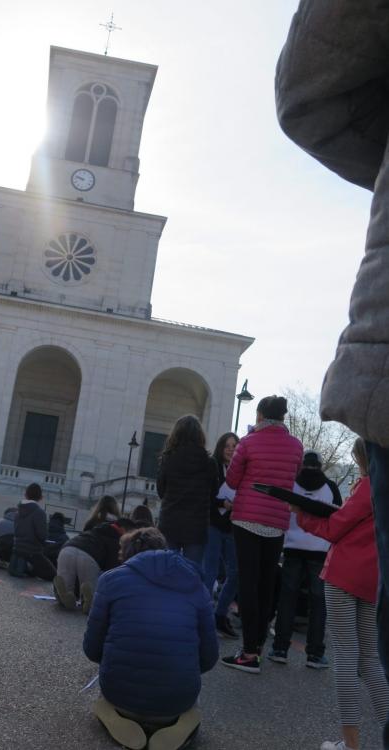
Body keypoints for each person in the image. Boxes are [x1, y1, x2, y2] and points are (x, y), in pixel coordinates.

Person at [276, 6, 389, 745]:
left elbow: (308, 93)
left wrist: (291, 499)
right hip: (347, 573)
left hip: (348, 578)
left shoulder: (361, 496)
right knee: (360, 663)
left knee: (354, 663)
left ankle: (354, 740)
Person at [83, 527, 218, 750]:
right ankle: (183, 723)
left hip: (120, 694)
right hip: (176, 699)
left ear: (127, 554)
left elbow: (91, 648)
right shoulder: (196, 585)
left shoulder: (111, 580)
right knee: (190, 703)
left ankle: (113, 715)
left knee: (104, 699)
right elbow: (209, 657)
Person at [293, 439, 389, 750]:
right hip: (374, 578)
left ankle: (350, 744)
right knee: (371, 659)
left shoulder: (369, 485)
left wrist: (303, 516)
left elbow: (336, 530)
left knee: (345, 658)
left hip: (344, 573)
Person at [221, 395, 303, 674]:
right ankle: (258, 645)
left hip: (246, 519)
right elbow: (294, 476)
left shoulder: (249, 442)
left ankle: (248, 652)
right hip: (277, 521)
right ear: (283, 417)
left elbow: (232, 479)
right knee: (267, 584)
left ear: (259, 415)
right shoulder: (295, 446)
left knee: (247, 584)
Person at [269, 450, 342, 668]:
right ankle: (315, 654)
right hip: (319, 550)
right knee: (318, 603)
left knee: (287, 599)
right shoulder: (330, 488)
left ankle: (280, 648)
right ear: (320, 465)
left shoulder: (292, 485)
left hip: (292, 547)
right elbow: (338, 517)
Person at [156, 414, 218, 566]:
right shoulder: (210, 463)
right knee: (192, 573)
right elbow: (214, 494)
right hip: (196, 526)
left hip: (169, 523)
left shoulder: (167, 459)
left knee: (167, 570)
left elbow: (160, 490)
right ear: (200, 436)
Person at [53, 517, 136, 613]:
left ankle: (64, 592)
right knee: (89, 585)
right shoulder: (116, 540)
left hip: (67, 548)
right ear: (123, 529)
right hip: (89, 555)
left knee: (67, 584)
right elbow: (112, 569)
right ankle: (90, 600)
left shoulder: (98, 528)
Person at [203, 431, 239, 639]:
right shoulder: (212, 465)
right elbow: (206, 494)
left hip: (232, 526)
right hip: (213, 524)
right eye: (227, 445)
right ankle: (204, 617)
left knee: (236, 572)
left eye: (234, 446)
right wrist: (221, 503)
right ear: (220, 447)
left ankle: (219, 613)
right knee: (210, 572)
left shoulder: (240, 469)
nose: (231, 449)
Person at [9, 483, 56, 581]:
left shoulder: (18, 511)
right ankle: (28, 567)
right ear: (40, 497)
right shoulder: (39, 512)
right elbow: (42, 536)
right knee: (53, 574)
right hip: (32, 551)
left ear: (25, 495)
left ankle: (22, 566)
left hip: (16, 549)